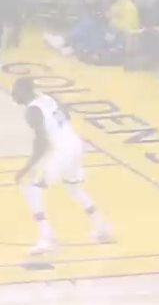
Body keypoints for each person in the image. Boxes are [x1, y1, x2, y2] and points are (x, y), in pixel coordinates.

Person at [12, 77, 114, 254]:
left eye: (15, 91)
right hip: (75, 144)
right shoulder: (48, 98)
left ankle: (47, 237)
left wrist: (26, 168)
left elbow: (41, 143)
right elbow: (66, 115)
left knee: (31, 187)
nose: (13, 94)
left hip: (62, 152)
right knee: (74, 188)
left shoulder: (32, 111)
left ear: (24, 91)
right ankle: (101, 226)